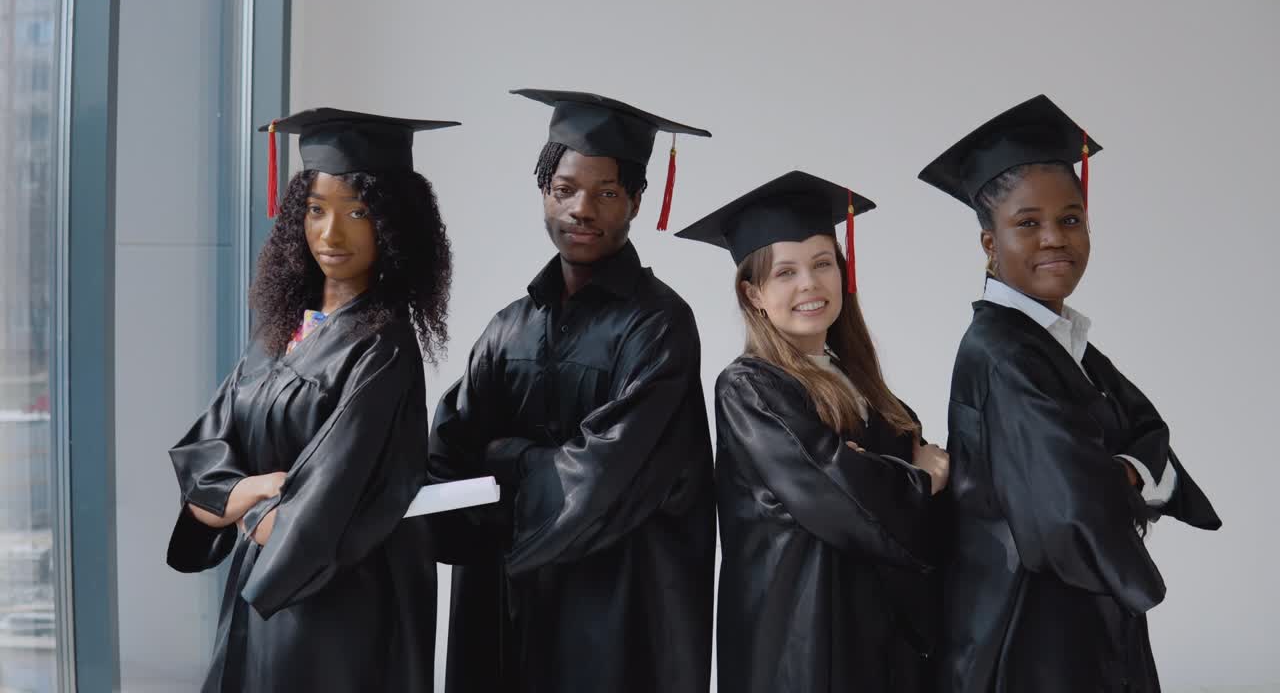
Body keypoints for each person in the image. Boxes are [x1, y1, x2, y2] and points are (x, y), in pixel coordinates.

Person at [919, 94, 1222, 693]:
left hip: (1073, 615)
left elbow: (1149, 433)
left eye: (1071, 219)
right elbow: (1068, 509)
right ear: (988, 243)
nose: (1055, 238)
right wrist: (1131, 477)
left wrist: (1119, 471)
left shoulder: (1060, 342)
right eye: (1027, 223)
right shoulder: (1003, 352)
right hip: (1027, 630)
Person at [428, 89, 716, 693]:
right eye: (564, 189)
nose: (582, 209)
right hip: (508, 609)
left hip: (617, 608)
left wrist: (504, 463)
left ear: (637, 201)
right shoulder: (509, 327)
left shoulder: (660, 324)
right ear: (543, 191)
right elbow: (449, 453)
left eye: (607, 193)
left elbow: (609, 472)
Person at [165, 108, 456, 692]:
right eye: (316, 210)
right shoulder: (281, 332)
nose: (331, 233)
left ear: (392, 225)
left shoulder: (383, 348)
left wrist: (237, 504)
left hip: (342, 605)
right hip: (266, 588)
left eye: (357, 212)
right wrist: (249, 491)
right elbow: (205, 449)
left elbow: (322, 508)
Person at [675, 169, 950, 692]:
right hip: (800, 639)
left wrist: (880, 470)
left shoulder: (866, 387)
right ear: (753, 293)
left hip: (881, 636)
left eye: (823, 264)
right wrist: (920, 479)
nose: (810, 284)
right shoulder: (750, 388)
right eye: (785, 273)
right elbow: (834, 489)